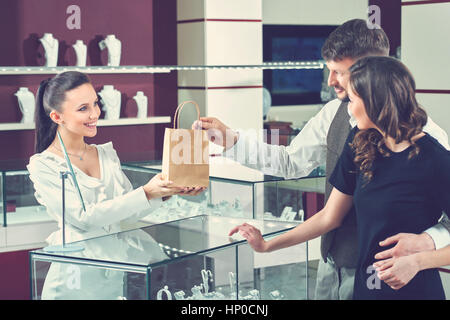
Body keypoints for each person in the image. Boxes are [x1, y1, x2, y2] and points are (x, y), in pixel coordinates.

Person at [193, 19, 450, 299]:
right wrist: (230, 140)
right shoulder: (343, 123)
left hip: (390, 277)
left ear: (372, 72)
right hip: (331, 265)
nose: (330, 82)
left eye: (338, 72)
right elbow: (292, 165)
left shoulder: (432, 145)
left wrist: (425, 245)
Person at [27, 71, 204, 299]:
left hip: (113, 273)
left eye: (95, 104)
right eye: (83, 109)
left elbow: (127, 215)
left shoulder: (106, 154)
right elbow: (83, 218)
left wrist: (164, 192)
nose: (95, 114)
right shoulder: (43, 165)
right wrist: (146, 192)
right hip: (74, 278)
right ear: (57, 117)